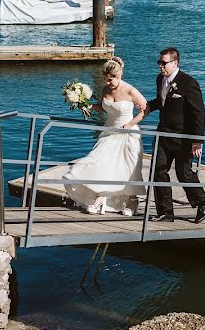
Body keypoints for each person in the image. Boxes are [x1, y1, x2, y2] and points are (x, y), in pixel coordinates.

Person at [63, 57, 147, 216]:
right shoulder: (105, 90)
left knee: (128, 168)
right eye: (106, 80)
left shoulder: (130, 90)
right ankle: (101, 197)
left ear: (119, 75)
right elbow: (104, 109)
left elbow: (146, 109)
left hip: (128, 134)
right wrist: (87, 105)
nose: (108, 83)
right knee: (100, 163)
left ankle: (132, 200)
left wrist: (130, 124)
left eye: (111, 80)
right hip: (109, 132)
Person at [143, 47, 205, 224]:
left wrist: (197, 141)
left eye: (163, 63)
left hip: (183, 138)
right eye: (159, 63)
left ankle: (202, 202)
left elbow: (199, 113)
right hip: (163, 134)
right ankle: (166, 212)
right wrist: (148, 106)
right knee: (158, 171)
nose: (160, 66)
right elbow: (162, 101)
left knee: (184, 173)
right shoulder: (160, 79)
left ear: (175, 63)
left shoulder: (189, 83)